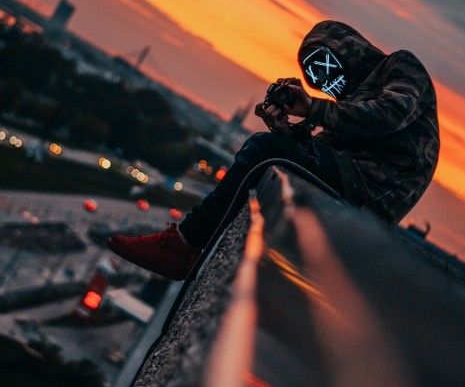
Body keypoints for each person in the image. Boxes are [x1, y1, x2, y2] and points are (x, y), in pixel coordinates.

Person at [107, 20, 440, 280]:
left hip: (374, 192)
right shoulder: (350, 103)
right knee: (271, 147)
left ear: (347, 50)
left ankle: (183, 244)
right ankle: (192, 246)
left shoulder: (401, 66)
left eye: (326, 67)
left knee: (264, 149)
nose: (325, 81)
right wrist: (289, 132)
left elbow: (389, 114)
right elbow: (327, 149)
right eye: (317, 78)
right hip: (356, 181)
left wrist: (313, 110)